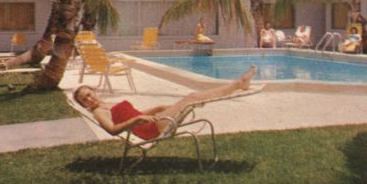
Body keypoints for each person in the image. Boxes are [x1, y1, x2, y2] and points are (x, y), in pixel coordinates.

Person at [73, 65, 257, 139]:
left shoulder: (106, 105)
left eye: (89, 94)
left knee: (191, 99)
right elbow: (113, 130)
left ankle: (238, 85)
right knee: (192, 97)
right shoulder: (99, 112)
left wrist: (156, 108)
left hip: (152, 120)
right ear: (84, 105)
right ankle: (238, 85)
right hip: (150, 129)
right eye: (85, 100)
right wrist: (137, 121)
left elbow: (135, 114)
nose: (89, 99)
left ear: (94, 91)